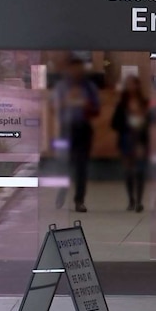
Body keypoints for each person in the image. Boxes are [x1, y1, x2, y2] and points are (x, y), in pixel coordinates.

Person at [52, 57, 100, 213]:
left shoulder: (89, 87)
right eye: (74, 69)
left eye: (80, 69)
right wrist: (66, 102)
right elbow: (54, 107)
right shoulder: (61, 86)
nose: (77, 72)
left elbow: (96, 110)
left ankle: (79, 201)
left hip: (83, 129)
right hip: (66, 130)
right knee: (65, 163)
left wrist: (87, 104)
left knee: (81, 167)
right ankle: (62, 191)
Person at [111, 75, 156, 212]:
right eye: (129, 84)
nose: (131, 87)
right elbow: (114, 123)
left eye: (133, 84)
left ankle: (139, 201)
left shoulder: (145, 102)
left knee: (140, 171)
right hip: (126, 139)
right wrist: (127, 125)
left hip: (140, 140)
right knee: (129, 171)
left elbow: (152, 119)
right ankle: (131, 199)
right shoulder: (122, 104)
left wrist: (144, 119)